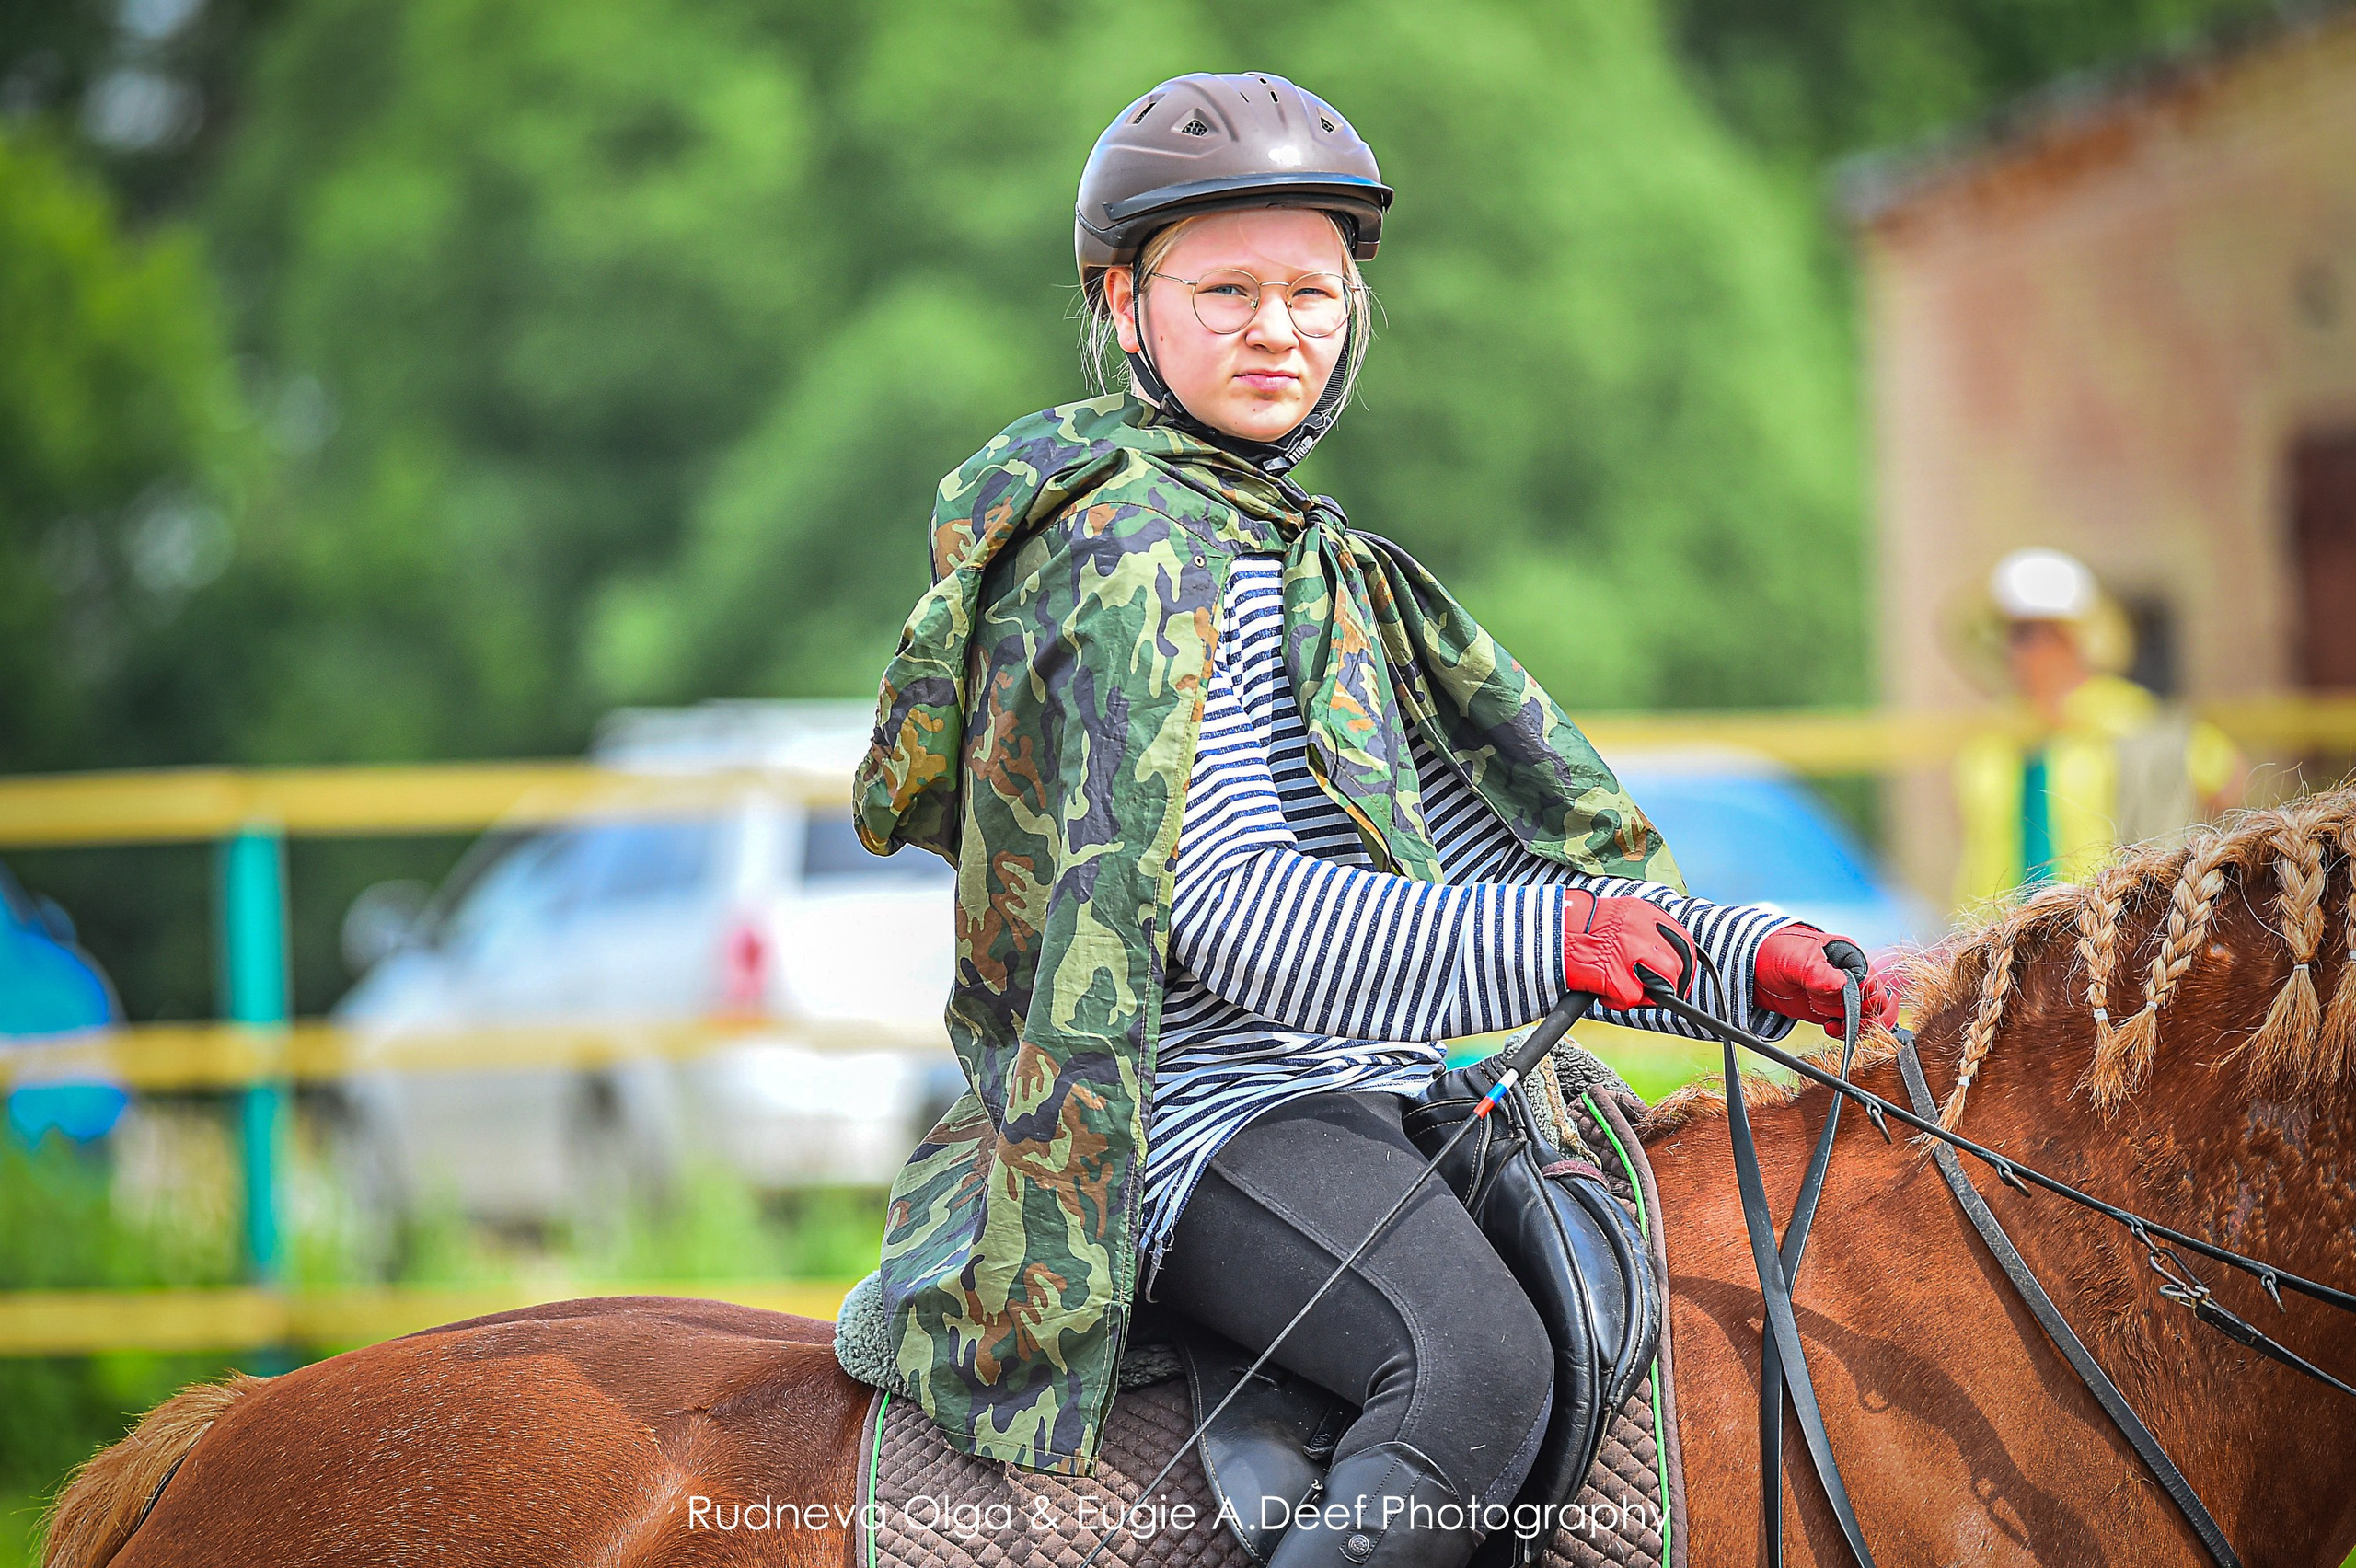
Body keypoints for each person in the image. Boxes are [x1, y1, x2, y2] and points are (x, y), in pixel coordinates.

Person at [852, 72, 1895, 1568]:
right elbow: (1222, 909)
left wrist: (1747, 957)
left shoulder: (1309, 560)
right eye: (1225, 291)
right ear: (1124, 302)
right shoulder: (1129, 555)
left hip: (1355, 1086)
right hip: (1175, 1117)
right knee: (1476, 1359)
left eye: (1310, 291)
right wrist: (1559, 936)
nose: (1277, 328)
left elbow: (1476, 858)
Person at [1951, 548, 2244, 909]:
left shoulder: (2134, 720)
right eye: (2007, 632)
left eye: (2026, 633)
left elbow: (2227, 782)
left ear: (2070, 638)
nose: (2011, 648)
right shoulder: (1992, 737)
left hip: (2102, 935)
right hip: (1998, 938)